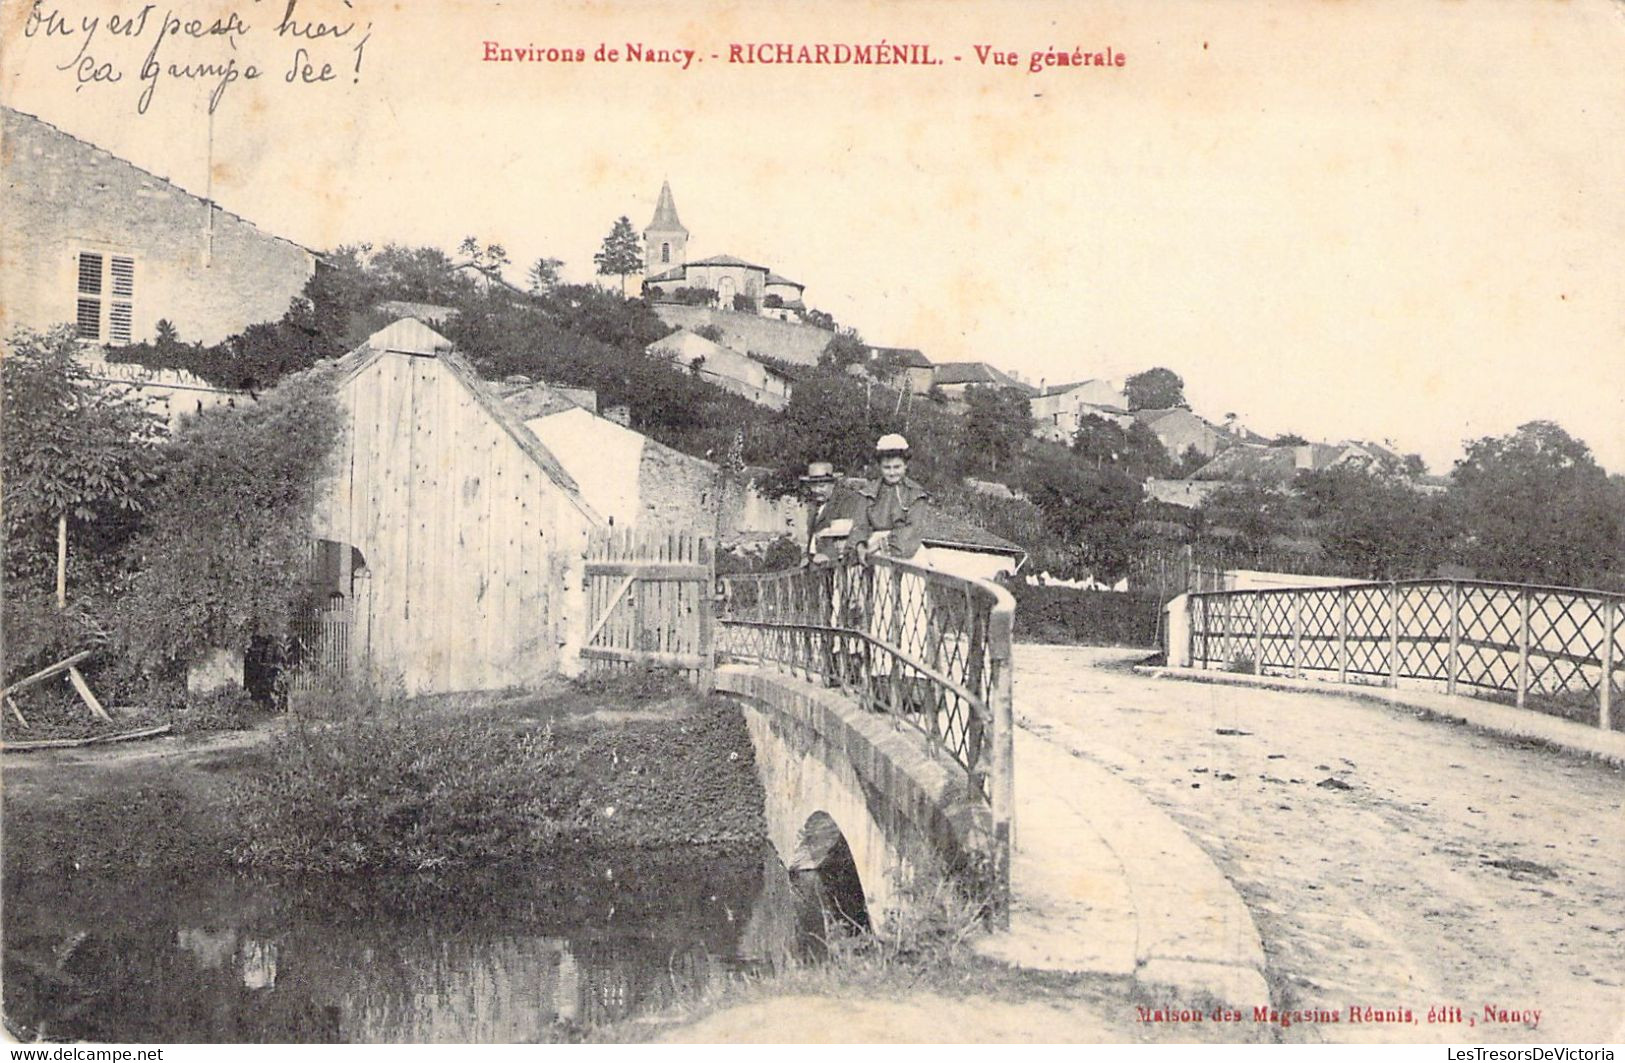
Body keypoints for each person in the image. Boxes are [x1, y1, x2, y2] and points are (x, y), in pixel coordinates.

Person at [848, 434, 930, 562]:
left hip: (907, 546)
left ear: (906, 465)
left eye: (897, 467)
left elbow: (913, 528)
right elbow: (859, 525)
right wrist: (860, 544)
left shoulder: (915, 493)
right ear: (880, 467)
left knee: (913, 574)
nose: (892, 473)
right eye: (887, 468)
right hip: (872, 546)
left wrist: (883, 543)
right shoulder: (868, 493)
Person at [800, 460, 853, 565]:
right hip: (815, 565)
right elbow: (812, 536)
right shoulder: (814, 506)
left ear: (832, 484)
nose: (816, 490)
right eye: (813, 486)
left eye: (821, 486)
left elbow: (845, 537)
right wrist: (807, 556)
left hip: (835, 564)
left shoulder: (843, 504)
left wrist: (828, 555)